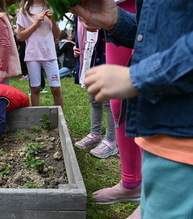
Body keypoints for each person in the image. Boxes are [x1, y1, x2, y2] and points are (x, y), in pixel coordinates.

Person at [72, 0, 193, 218]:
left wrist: (139, 76)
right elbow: (165, 32)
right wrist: (117, 21)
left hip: (183, 146)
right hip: (163, 137)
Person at [91, 0, 142, 218]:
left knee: (154, 92)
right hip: (117, 8)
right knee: (118, 100)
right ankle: (132, 183)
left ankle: (157, 192)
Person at [73, 20, 117, 159]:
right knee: (94, 98)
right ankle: (95, 134)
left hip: (106, 51)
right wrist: (77, 44)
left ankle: (111, 140)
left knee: (109, 101)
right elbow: (80, 31)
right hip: (90, 54)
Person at [16, 0, 64, 110]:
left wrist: (52, 20)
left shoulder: (52, 7)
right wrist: (36, 23)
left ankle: (61, 119)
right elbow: (21, 37)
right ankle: (36, 119)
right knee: (35, 88)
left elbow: (57, 35)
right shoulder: (24, 11)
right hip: (32, 54)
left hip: (50, 54)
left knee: (56, 88)